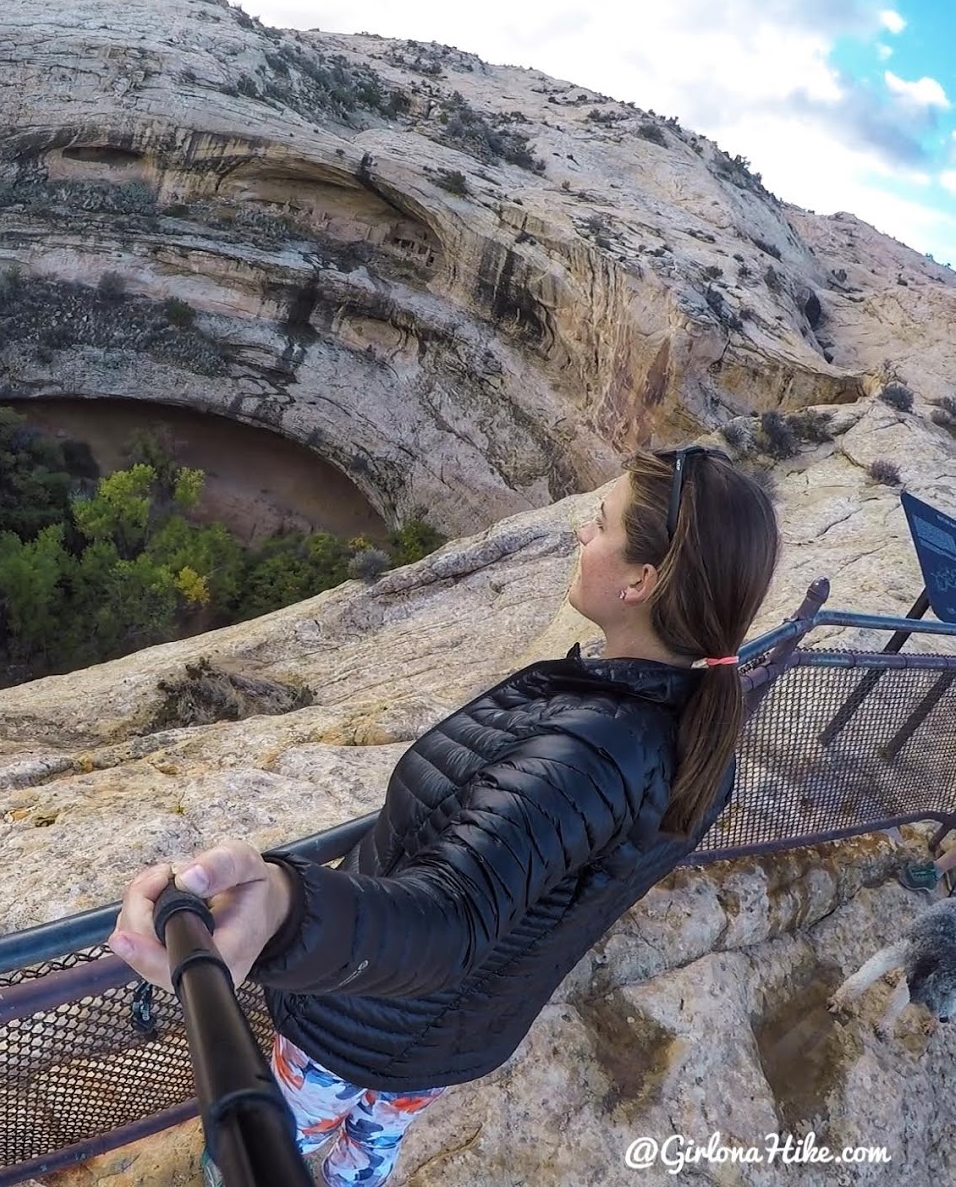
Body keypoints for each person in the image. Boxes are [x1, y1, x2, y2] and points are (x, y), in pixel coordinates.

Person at [109, 445, 781, 1187]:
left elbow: (453, 915)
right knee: (371, 1145)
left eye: (599, 524)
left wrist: (286, 906)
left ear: (640, 581)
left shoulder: (594, 747)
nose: (579, 536)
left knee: (274, 1144)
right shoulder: (696, 730)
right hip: (466, 1033)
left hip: (360, 1021)